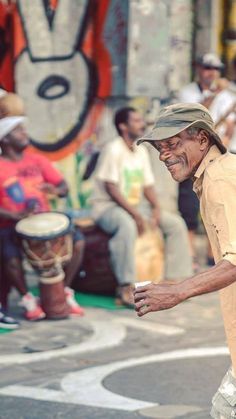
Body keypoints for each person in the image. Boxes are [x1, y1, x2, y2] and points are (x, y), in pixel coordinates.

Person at [134, 102, 236, 419]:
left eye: (173, 144)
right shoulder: (217, 175)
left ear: (203, 140)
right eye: (160, 148)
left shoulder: (220, 181)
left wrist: (177, 291)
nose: (164, 155)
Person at [91, 107, 192, 307]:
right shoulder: (114, 148)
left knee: (175, 224)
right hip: (107, 208)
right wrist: (136, 215)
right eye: (136, 120)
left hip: (137, 207)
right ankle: (126, 287)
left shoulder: (141, 151)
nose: (142, 123)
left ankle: (174, 281)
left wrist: (155, 208)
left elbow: (148, 185)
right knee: (126, 225)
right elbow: (111, 187)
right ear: (123, 126)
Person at [0, 116, 85, 320]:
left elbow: (64, 188)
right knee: (9, 255)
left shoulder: (37, 160)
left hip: (42, 220)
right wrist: (15, 215)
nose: (25, 133)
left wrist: (54, 189)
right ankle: (27, 298)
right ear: (4, 139)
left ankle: (63, 292)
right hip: (10, 224)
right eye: (18, 131)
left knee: (79, 241)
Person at [178, 53, 235, 268]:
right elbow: (193, 118)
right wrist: (214, 95)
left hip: (217, 156)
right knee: (189, 206)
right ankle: (190, 256)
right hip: (191, 156)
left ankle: (215, 256)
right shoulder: (187, 93)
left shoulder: (228, 97)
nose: (212, 73)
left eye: (216, 69)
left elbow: (229, 127)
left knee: (218, 204)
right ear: (199, 69)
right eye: (207, 68)